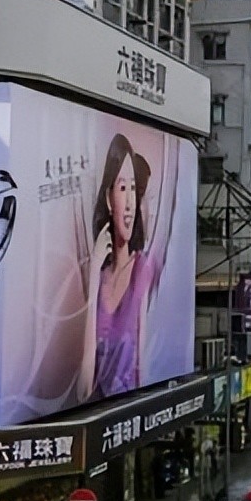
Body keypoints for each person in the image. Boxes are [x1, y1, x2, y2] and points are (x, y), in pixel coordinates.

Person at [79, 133, 165, 402]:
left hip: (128, 409)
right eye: (123, 188)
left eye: (134, 190)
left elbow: (144, 365)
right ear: (108, 197)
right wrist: (93, 279)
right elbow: (83, 390)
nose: (130, 205)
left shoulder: (144, 268)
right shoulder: (98, 275)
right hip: (98, 412)